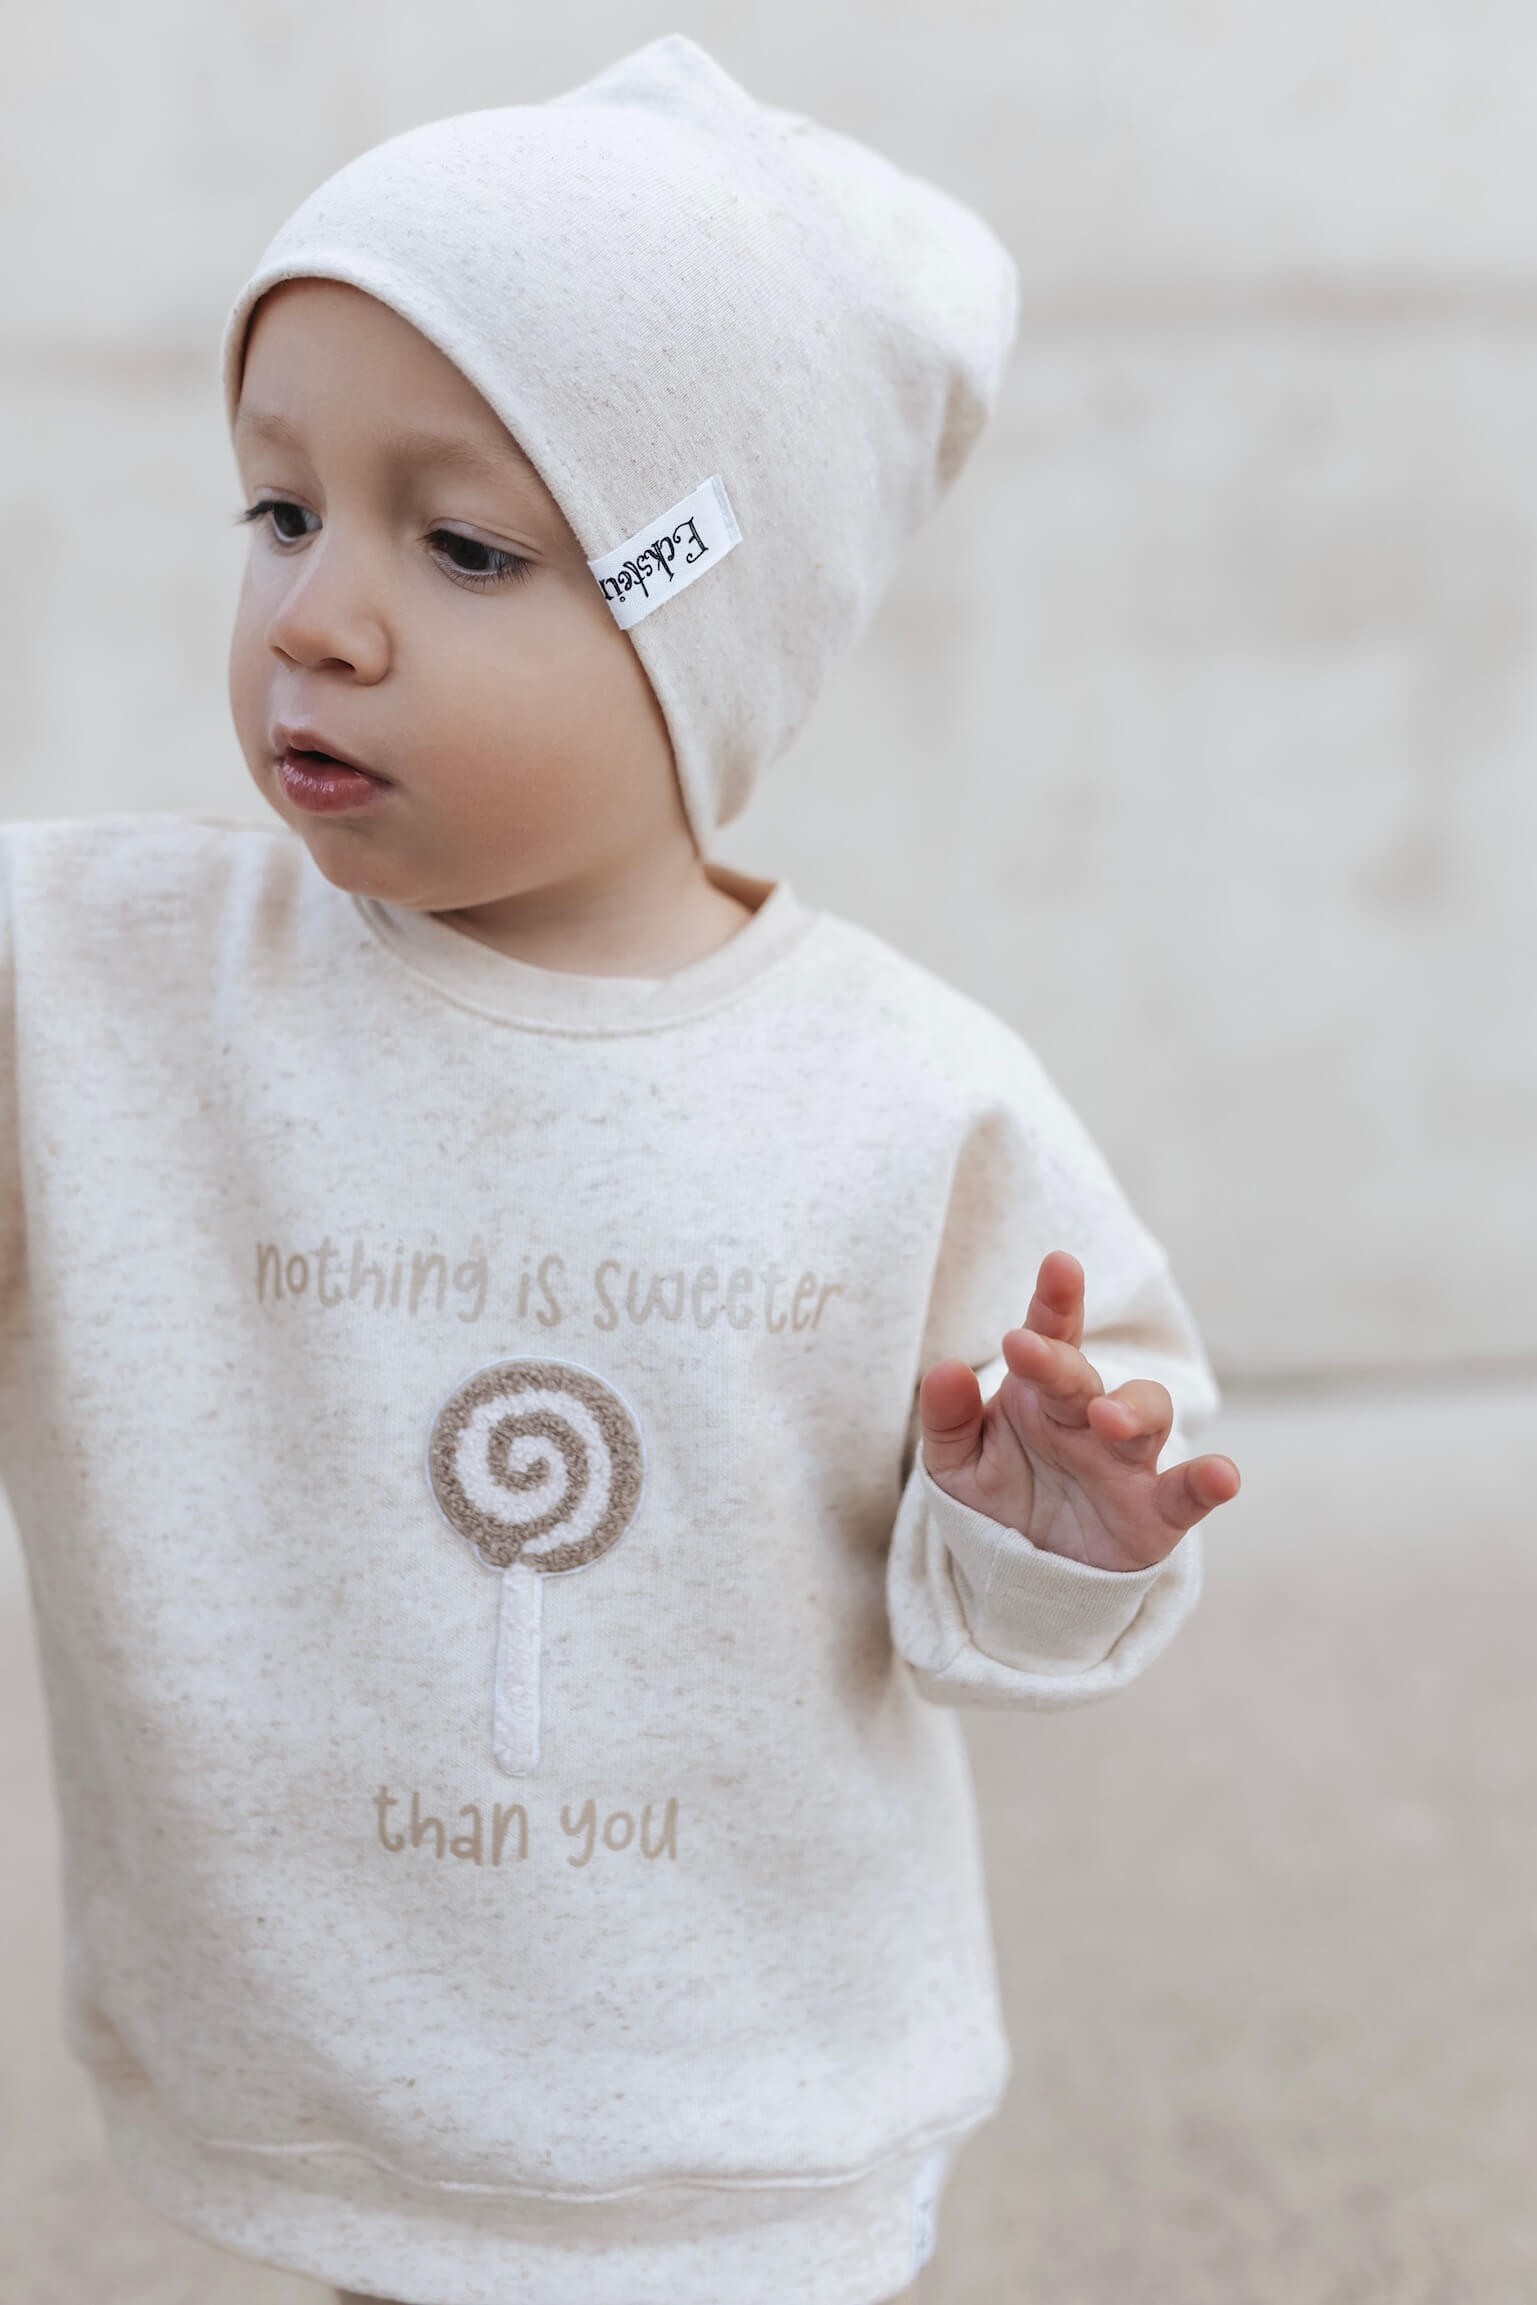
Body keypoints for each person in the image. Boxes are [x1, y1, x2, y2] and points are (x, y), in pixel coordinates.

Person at [2, 35, 1239, 2305]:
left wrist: (1047, 1532)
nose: (317, 615)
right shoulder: (97, 993)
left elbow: (1018, 1611)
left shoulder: (906, 1103)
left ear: (703, 624)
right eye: (279, 510)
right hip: (336, 2091)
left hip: (753, 2118)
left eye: (463, 541)